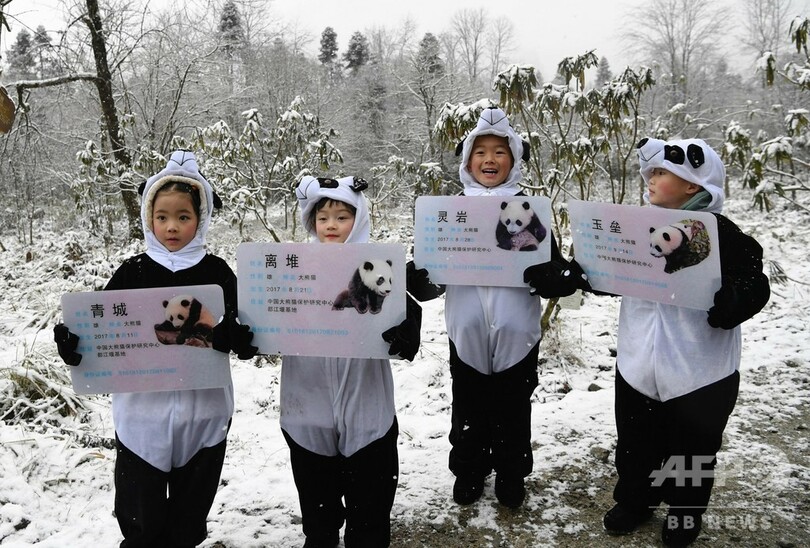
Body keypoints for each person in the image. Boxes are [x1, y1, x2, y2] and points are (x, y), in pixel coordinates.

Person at [53, 150, 257, 548]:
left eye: (183, 216)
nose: (172, 227)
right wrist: (75, 344)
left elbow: (247, 330)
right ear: (149, 218)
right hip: (140, 417)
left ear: (201, 218)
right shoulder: (133, 272)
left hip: (205, 413)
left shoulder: (217, 273)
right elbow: (99, 331)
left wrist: (239, 338)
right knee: (140, 514)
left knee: (189, 515)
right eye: (161, 217)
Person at [587, 138, 770, 547]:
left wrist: (737, 299)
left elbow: (754, 280)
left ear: (692, 185)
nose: (650, 179)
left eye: (661, 173)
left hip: (700, 369)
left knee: (693, 450)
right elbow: (610, 270)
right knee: (635, 443)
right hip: (638, 361)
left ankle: (686, 513)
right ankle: (635, 499)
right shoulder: (635, 225)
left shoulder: (722, 233)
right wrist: (591, 274)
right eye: (650, 173)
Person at [409, 107, 583, 509]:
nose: (490, 160)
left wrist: (555, 278)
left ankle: (510, 471)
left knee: (513, 407)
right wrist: (420, 278)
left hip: (517, 332)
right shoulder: (449, 210)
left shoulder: (530, 209)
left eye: (500, 152)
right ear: (468, 160)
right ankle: (469, 468)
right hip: (465, 329)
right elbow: (429, 273)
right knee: (468, 407)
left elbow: (551, 266)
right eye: (481, 152)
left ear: (515, 159)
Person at [281, 175, 421, 548]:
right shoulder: (293, 268)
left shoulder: (380, 265)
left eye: (342, 217)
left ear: (358, 219)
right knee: (317, 492)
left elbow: (401, 307)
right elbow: (269, 313)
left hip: (366, 394)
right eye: (323, 216)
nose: (331, 225)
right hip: (307, 394)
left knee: (371, 493)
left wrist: (408, 327)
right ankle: (321, 536)